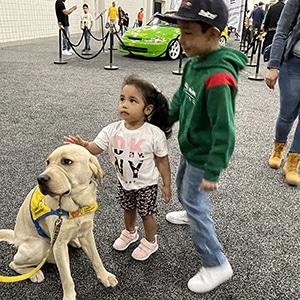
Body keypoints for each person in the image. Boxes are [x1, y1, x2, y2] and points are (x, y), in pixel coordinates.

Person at [159, 0, 247, 293]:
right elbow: (182, 98)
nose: (182, 40)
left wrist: (213, 171)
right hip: (190, 146)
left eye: (188, 33)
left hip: (204, 154)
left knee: (195, 201)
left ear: (212, 34)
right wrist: (164, 120)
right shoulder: (196, 63)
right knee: (185, 188)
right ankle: (190, 209)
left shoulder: (219, 77)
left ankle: (216, 263)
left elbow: (225, 130)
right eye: (181, 32)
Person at [64, 75, 172, 261]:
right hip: (125, 182)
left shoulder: (154, 134)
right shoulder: (112, 130)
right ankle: (130, 232)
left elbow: (163, 161)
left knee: (147, 213)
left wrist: (166, 185)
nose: (124, 104)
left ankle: (150, 241)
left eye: (132, 101)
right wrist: (84, 145)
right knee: (128, 208)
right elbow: (96, 148)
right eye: (122, 99)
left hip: (146, 183)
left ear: (147, 109)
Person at [265, 0, 300, 186]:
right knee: (287, 114)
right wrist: (274, 65)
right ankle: (278, 147)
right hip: (294, 64)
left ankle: (293, 162)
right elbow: (282, 30)